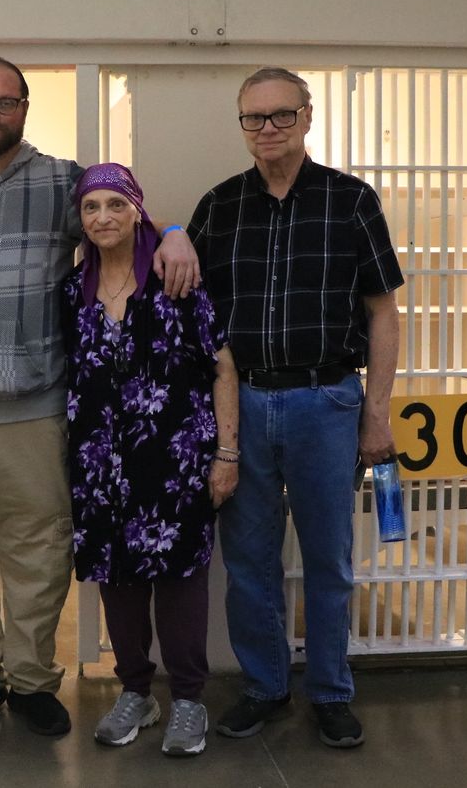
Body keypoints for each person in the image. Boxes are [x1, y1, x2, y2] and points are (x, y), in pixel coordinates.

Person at [0, 56, 200, 737]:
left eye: (6, 102)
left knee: (37, 554)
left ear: (24, 108)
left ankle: (33, 681)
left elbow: (121, 218)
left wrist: (175, 232)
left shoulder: (63, 183)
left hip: (33, 411)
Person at [188, 67, 403, 749]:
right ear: (242, 125)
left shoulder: (351, 201)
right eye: (254, 118)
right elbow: (190, 306)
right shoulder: (219, 207)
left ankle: (332, 692)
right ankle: (265, 686)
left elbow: (383, 312)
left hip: (327, 401)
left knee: (328, 560)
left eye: (282, 114)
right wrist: (166, 232)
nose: (268, 128)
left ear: (307, 118)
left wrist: (376, 412)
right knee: (248, 561)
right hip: (242, 405)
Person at [63, 163, 239, 757]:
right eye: (91, 207)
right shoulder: (73, 291)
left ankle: (188, 699)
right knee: (117, 582)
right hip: (100, 466)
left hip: (177, 460)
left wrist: (226, 453)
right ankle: (136, 691)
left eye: (116, 204)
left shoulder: (174, 278)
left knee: (181, 580)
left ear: (138, 210)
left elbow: (222, 368)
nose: (103, 217)